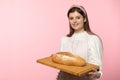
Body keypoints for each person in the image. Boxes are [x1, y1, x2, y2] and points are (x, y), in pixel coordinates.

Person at [57, 5, 103, 80]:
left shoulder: (92, 39)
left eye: (78, 17)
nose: (74, 21)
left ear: (84, 19)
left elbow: (97, 67)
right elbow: (62, 62)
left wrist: (96, 74)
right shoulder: (64, 39)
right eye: (71, 18)